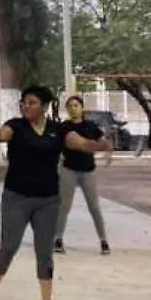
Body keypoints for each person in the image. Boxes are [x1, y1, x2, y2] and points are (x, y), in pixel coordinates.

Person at [0, 85, 100, 300]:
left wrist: (99, 145)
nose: (26, 106)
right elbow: (1, 134)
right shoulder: (17, 125)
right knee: (9, 246)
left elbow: (80, 143)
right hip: (16, 197)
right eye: (23, 102)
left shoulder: (57, 130)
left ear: (44, 106)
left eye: (31, 102)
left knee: (45, 252)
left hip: (48, 200)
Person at [53, 95, 114, 256]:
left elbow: (103, 140)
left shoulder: (90, 126)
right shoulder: (63, 127)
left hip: (88, 171)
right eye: (70, 106)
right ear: (67, 109)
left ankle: (103, 241)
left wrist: (108, 151)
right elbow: (55, 146)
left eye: (76, 105)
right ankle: (58, 239)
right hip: (69, 170)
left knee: (94, 207)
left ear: (81, 108)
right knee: (64, 206)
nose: (73, 108)